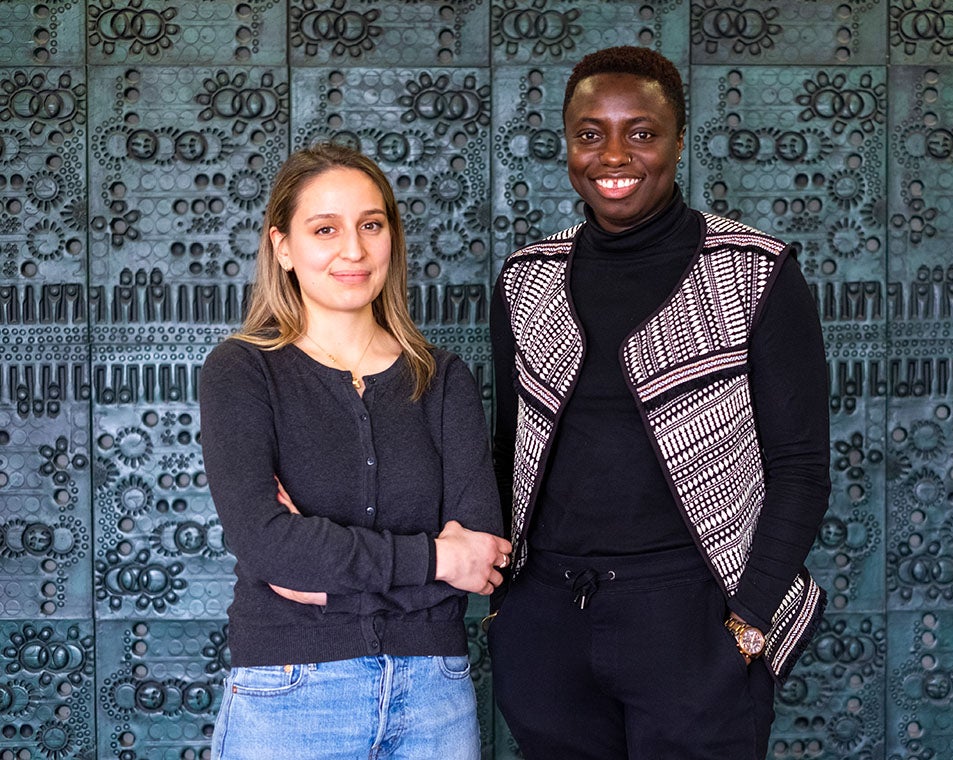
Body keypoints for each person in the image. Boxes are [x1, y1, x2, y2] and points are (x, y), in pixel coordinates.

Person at [488, 46, 831, 759]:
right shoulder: (526, 277)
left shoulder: (754, 270)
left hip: (693, 618)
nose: (614, 155)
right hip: (549, 621)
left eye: (641, 132)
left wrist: (749, 617)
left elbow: (800, 467)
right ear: (567, 144)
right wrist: (508, 607)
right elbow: (508, 448)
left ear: (677, 141)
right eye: (590, 134)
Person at [199, 142, 511, 760]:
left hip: (434, 698)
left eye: (371, 225)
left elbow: (479, 559)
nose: (354, 250)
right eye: (325, 229)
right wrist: (436, 559)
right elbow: (268, 545)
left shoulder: (441, 378)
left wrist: (324, 584)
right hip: (289, 696)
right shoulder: (241, 371)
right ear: (282, 246)